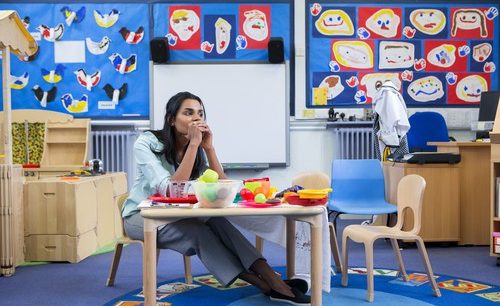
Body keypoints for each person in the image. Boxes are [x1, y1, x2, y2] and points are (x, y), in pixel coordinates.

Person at [122, 91, 311, 305]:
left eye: (200, 113)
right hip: (142, 217)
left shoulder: (195, 149)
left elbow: (222, 184)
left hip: (176, 214)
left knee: (219, 220)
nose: (196, 118)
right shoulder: (146, 142)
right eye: (188, 113)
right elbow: (171, 190)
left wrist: (209, 148)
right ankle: (267, 284)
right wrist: (194, 145)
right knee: (198, 232)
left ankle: (269, 276)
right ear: (171, 119)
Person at [372, 80, 410, 161]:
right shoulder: (393, 94)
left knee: (391, 161)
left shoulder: (383, 95)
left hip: (393, 134)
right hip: (390, 133)